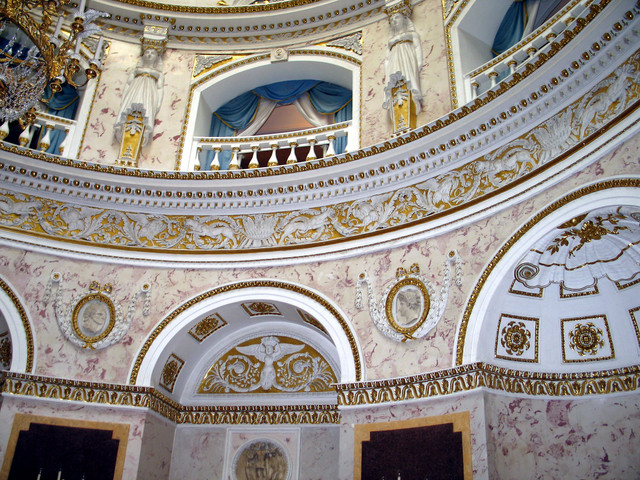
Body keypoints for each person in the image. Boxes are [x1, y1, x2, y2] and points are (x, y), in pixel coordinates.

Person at [114, 46, 164, 146]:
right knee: (129, 108)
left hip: (149, 93)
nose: (149, 55)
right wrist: (124, 99)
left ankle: (144, 131)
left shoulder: (159, 74)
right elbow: (128, 84)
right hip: (134, 91)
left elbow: (160, 89)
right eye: (147, 52)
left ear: (157, 57)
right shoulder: (135, 70)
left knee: (146, 110)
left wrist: (157, 104)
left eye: (153, 53)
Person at [383, 11, 423, 114]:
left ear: (404, 20)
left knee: (408, 79)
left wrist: (418, 65)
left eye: (397, 17)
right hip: (394, 62)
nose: (394, 21)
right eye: (391, 19)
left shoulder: (412, 34)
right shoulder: (391, 41)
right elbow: (387, 59)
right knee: (395, 83)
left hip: (407, 59)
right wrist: (387, 74)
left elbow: (417, 49)